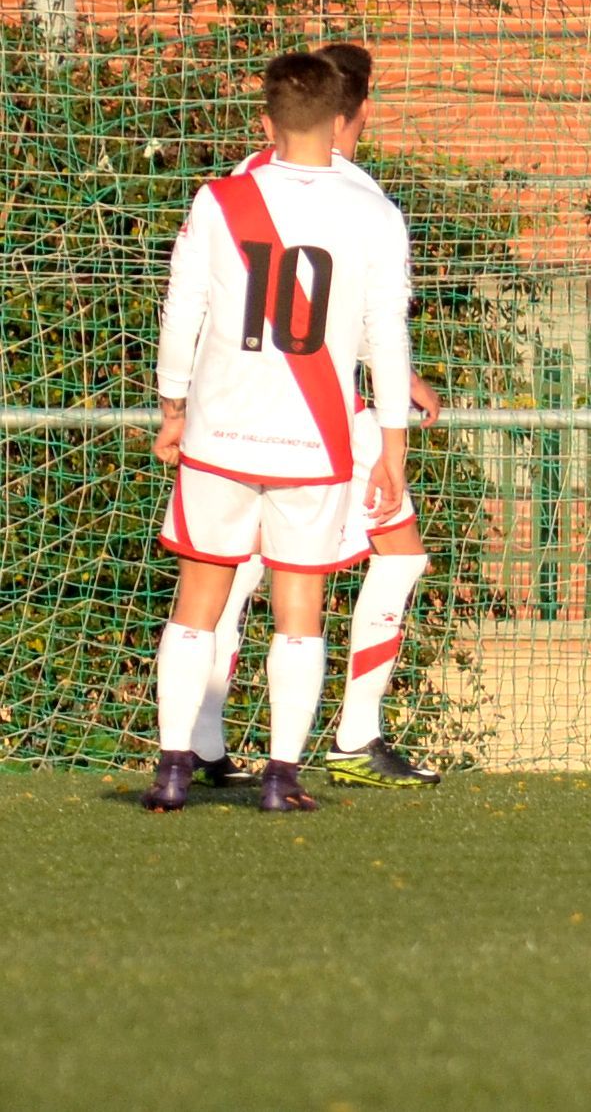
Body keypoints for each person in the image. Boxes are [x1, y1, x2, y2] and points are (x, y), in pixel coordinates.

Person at [144, 52, 414, 813]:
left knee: (198, 596)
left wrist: (172, 407)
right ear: (340, 119)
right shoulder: (372, 212)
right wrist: (391, 445)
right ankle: (280, 777)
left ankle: (171, 772)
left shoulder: (221, 198)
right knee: (301, 606)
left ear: (264, 124)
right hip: (315, 441)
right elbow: (386, 338)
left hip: (221, 432)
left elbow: (181, 311)